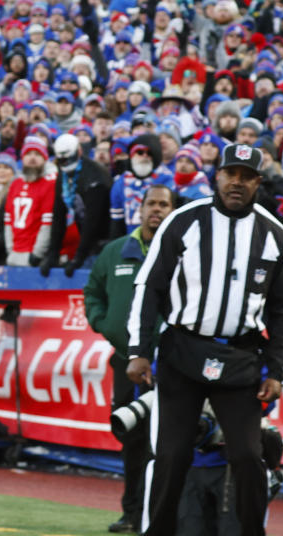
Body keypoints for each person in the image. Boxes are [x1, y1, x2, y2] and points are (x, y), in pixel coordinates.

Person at [126, 143, 283, 536]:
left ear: (258, 181)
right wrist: (139, 351)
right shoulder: (184, 220)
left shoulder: (275, 235)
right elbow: (149, 286)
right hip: (182, 351)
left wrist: (278, 370)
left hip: (240, 356)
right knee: (170, 456)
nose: (237, 182)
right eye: (230, 173)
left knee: (248, 456)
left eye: (246, 176)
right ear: (217, 175)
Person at [83, 184, 175, 534]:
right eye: (151, 203)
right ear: (140, 209)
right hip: (125, 361)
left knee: (167, 440)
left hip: (170, 363)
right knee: (132, 439)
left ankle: (162, 514)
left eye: (164, 204)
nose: (157, 209)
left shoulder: (179, 250)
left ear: (172, 210)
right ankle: (132, 513)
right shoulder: (114, 252)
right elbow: (92, 291)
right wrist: (102, 322)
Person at [40, 133, 111, 277]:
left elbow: (93, 220)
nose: (65, 163)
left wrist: (79, 256)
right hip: (85, 235)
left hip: (104, 238)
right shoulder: (63, 174)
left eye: (68, 159)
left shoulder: (96, 176)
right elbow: (58, 215)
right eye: (62, 160)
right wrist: (53, 252)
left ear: (78, 152)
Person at [4, 136, 55, 267]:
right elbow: (8, 220)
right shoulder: (15, 183)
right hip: (14, 253)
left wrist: (37, 254)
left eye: (37, 154)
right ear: (22, 158)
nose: (32, 158)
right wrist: (10, 249)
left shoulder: (49, 184)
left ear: (45, 159)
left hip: (33, 255)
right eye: (28, 154)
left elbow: (47, 223)